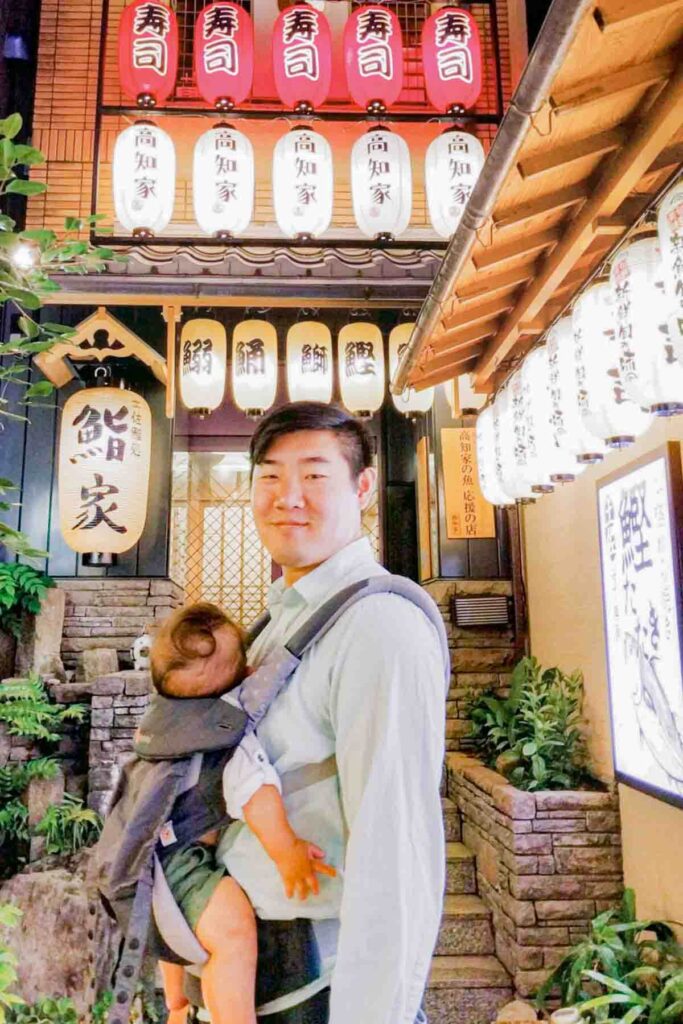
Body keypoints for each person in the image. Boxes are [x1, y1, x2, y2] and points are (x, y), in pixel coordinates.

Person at [218, 402, 448, 1024]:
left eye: (315, 475)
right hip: (258, 975)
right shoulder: (282, 616)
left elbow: (396, 846)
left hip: (322, 989)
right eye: (270, 475)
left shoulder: (378, 627)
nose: (288, 496)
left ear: (364, 487)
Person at [146, 602, 336, 1024]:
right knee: (232, 933)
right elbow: (255, 792)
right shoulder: (227, 730)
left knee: (175, 925)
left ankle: (176, 1004)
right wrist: (286, 851)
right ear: (244, 676)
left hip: (152, 854)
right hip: (183, 859)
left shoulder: (163, 719)